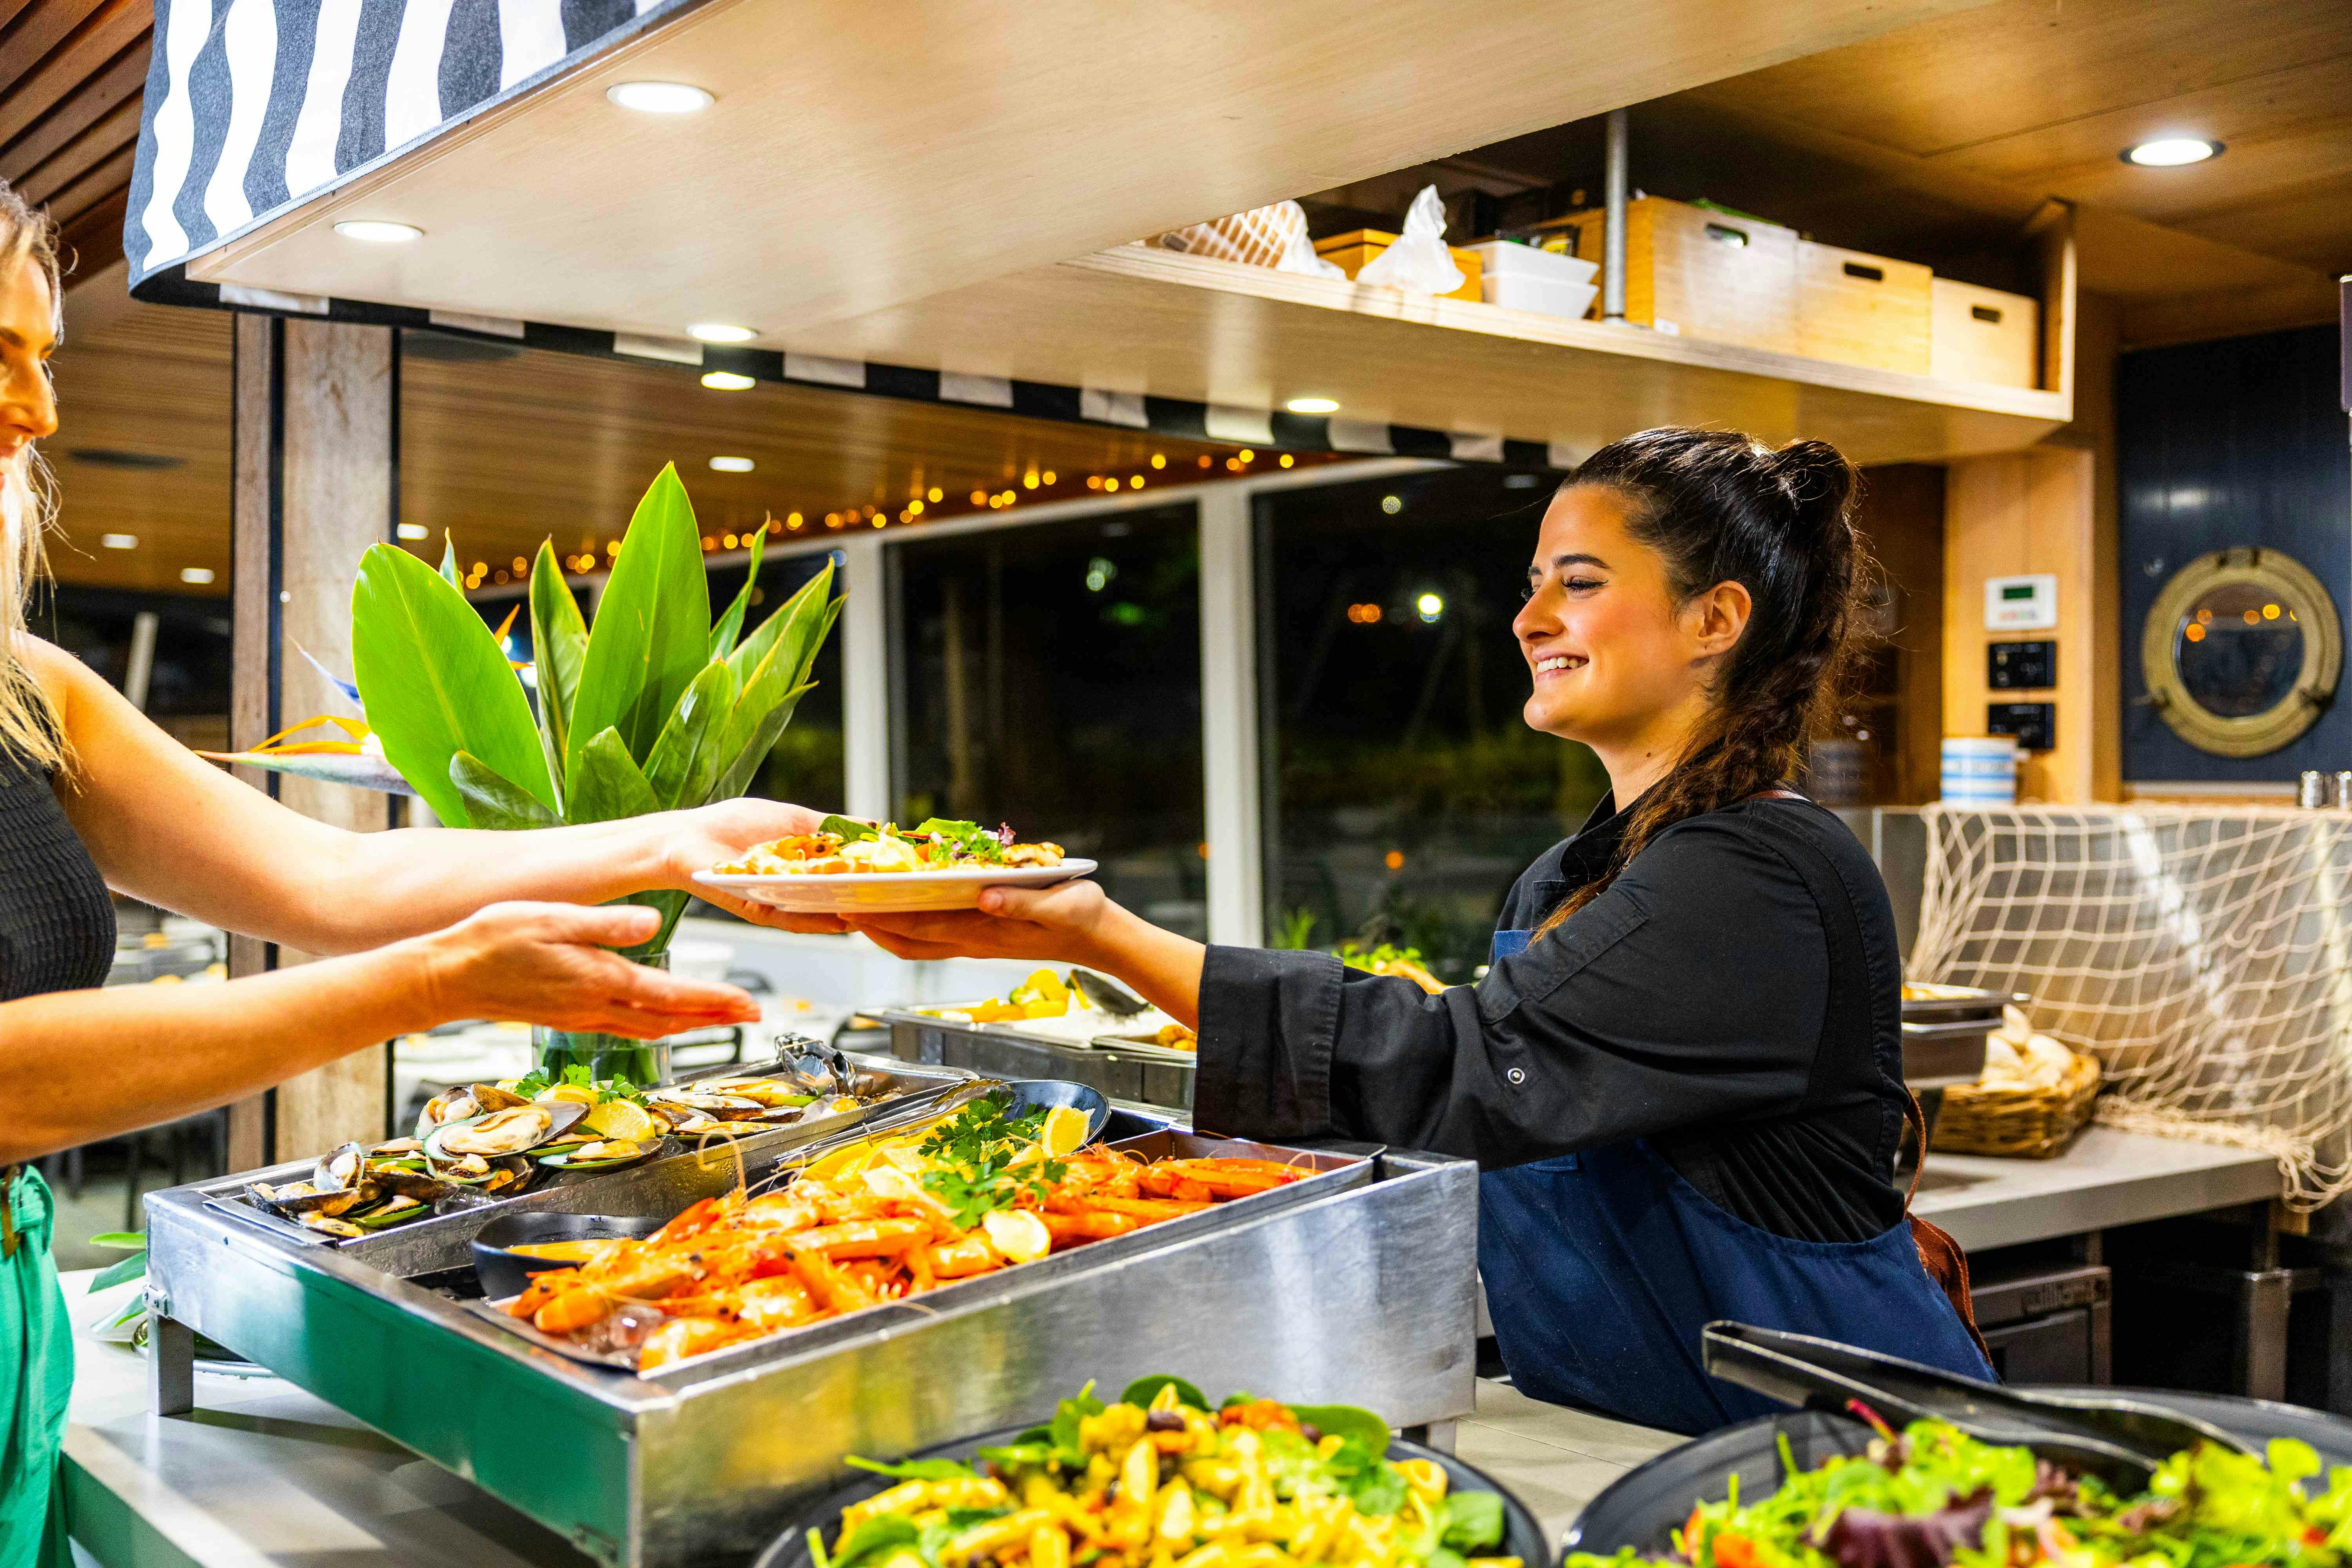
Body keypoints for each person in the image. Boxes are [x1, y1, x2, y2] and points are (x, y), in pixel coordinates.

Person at [838, 425, 1994, 1434]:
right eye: (1534, 582)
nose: (1530, 617)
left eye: (1578, 583)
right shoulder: (1579, 874)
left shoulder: (1759, 877)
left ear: (1715, 619)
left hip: (1861, 1469)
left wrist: (1098, 935)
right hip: (1659, 1439)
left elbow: (1460, 1070)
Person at [0, 185, 821, 1563]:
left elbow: (331, 876)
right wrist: (437, 983)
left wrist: (680, 839)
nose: (41, 413)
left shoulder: (28, 689)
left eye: (43, 358)